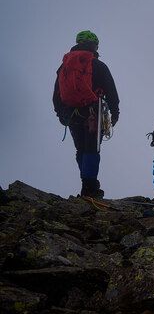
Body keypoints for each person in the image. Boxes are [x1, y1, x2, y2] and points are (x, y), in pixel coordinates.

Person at [53, 30, 120, 198]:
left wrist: (61, 114)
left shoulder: (64, 66)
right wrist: (115, 112)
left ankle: (86, 184)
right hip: (93, 113)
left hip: (72, 115)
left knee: (81, 150)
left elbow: (57, 94)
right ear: (94, 46)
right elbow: (111, 91)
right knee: (92, 149)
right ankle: (90, 187)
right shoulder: (98, 65)